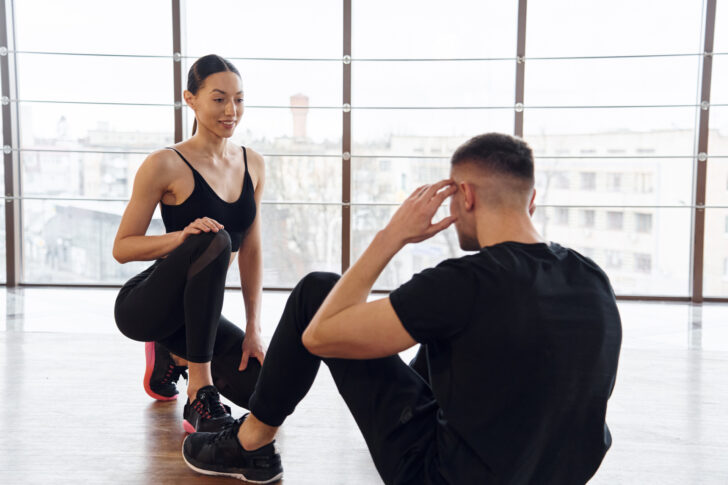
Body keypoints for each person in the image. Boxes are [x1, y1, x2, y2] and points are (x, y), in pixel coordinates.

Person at [182, 133, 622, 484]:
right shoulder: (591, 278)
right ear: (532, 199)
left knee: (317, 291)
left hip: (443, 477)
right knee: (454, 331)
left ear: (465, 196)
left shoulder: (465, 282)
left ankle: (251, 443)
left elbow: (318, 335)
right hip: (556, 473)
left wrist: (392, 236)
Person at [113, 54, 266, 433]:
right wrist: (181, 238)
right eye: (219, 99)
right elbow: (123, 248)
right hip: (147, 306)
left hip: (198, 314)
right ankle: (199, 390)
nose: (231, 111)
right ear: (190, 99)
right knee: (212, 238)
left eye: (239, 99)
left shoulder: (253, 164)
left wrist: (253, 328)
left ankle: (172, 353)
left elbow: (251, 250)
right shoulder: (165, 164)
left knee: (267, 391)